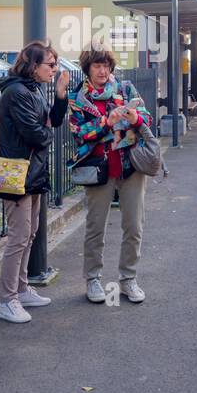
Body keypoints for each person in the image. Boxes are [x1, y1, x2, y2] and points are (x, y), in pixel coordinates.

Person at [68, 46, 154, 304]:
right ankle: (93, 279)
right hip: (99, 167)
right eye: (97, 66)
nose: (102, 70)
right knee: (95, 227)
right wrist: (106, 121)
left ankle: (128, 279)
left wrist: (135, 118)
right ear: (87, 69)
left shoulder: (125, 89)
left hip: (131, 165)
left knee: (134, 225)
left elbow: (147, 119)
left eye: (106, 65)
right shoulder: (78, 98)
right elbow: (79, 133)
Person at [0, 40, 69, 324]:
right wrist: (46, 130)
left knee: (31, 232)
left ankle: (21, 289)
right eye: (50, 64)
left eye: (55, 64)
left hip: (32, 170)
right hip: (15, 171)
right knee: (19, 236)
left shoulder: (33, 90)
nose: (54, 69)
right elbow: (36, 134)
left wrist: (60, 96)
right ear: (32, 65)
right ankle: (7, 299)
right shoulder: (16, 92)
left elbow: (52, 123)